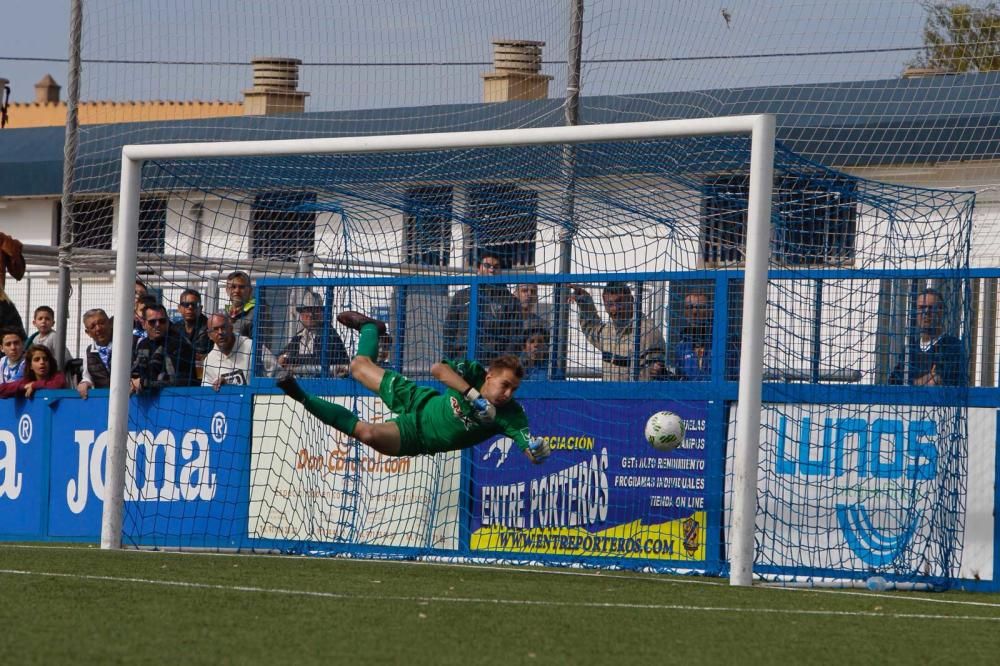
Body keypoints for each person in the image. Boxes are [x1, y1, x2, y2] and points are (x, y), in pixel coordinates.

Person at [276, 310, 551, 463]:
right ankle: (371, 328)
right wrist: (473, 395)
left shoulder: (512, 414)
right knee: (358, 368)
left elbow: (530, 450)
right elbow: (437, 370)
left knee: (368, 434)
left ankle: (299, 395)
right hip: (419, 400)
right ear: (490, 375)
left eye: (514, 389)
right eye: (505, 385)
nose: (508, 394)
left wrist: (539, 452)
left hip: (419, 437)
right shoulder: (473, 373)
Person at [568, 282, 666, 381]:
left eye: (619, 302)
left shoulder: (648, 333)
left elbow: (652, 378)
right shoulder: (608, 332)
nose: (615, 309)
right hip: (609, 395)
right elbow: (591, 327)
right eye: (610, 304)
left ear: (631, 300)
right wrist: (585, 303)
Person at [443, 251, 523, 363]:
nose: (491, 270)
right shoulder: (462, 296)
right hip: (462, 360)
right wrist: (448, 359)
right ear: (479, 268)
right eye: (487, 266)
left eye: (496, 267)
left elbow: (516, 336)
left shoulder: (510, 301)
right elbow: (449, 329)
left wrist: (502, 364)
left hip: (493, 363)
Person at [889, 287, 966, 386]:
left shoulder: (953, 347)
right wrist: (928, 377)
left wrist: (911, 383)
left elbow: (939, 383)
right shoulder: (910, 350)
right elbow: (893, 382)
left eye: (931, 308)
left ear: (941, 312)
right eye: (921, 307)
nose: (926, 312)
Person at [276, 290, 349, 377]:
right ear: (301, 314)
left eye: (314, 310)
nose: (310, 315)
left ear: (321, 313)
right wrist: (283, 357)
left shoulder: (329, 335)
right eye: (307, 310)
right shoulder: (299, 336)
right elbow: (282, 354)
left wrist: (289, 360)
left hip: (325, 385)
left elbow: (318, 360)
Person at [130, 303, 197, 392]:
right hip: (145, 401)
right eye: (152, 322)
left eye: (162, 321)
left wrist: (144, 383)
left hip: (176, 399)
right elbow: (136, 371)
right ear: (144, 324)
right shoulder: (143, 344)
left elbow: (180, 382)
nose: (157, 324)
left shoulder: (180, 345)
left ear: (168, 322)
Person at [202, 313, 254, 390]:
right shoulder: (209, 361)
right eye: (215, 329)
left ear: (231, 328)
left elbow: (276, 374)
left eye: (223, 327)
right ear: (209, 335)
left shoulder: (252, 347)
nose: (220, 332)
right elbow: (207, 393)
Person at [0, 344, 66, 398]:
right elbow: (2, 389)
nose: (42, 362)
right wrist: (24, 387)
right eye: (37, 359)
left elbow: (56, 385)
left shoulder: (58, 376)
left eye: (45, 359)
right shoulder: (27, 381)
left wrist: (34, 385)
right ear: (30, 366)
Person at [77, 308, 115, 399]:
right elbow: (87, 377)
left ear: (109, 323)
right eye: (92, 326)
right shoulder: (89, 351)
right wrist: (84, 383)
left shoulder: (128, 343)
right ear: (88, 332)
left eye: (101, 323)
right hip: (103, 400)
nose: (98, 328)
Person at [171, 288, 211, 371]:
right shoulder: (174, 328)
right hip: (180, 373)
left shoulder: (209, 327)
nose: (190, 307)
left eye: (194, 304)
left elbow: (198, 355)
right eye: (186, 304)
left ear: (200, 308)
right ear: (179, 308)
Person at [226, 271, 256, 338]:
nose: (237, 291)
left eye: (241, 287)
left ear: (250, 290)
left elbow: (262, 346)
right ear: (227, 290)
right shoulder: (224, 314)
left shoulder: (258, 312)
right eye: (233, 287)